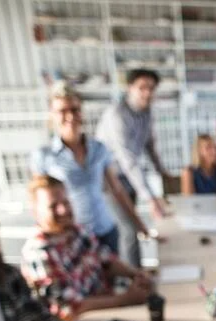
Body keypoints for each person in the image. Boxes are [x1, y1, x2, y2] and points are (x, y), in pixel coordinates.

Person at [32, 81, 152, 255]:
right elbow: (38, 202)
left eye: (75, 109)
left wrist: (138, 223)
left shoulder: (99, 148)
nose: (70, 116)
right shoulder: (44, 156)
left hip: (105, 230)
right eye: (62, 111)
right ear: (52, 115)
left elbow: (117, 189)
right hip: (71, 236)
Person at [22, 175, 154, 321]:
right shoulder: (38, 252)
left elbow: (106, 260)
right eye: (53, 206)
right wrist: (125, 299)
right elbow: (70, 308)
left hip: (108, 309)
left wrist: (136, 274)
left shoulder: (76, 230)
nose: (63, 210)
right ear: (35, 212)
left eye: (66, 202)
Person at [96, 68, 171, 268]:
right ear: (130, 88)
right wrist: (151, 199)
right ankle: (135, 280)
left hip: (128, 177)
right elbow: (128, 160)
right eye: (142, 87)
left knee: (134, 228)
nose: (147, 92)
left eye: (151, 88)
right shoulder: (116, 115)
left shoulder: (146, 112)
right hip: (110, 180)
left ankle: (136, 273)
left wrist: (162, 172)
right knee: (129, 229)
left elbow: (149, 145)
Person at [180, 134, 216, 209]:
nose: (214, 151)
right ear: (199, 151)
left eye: (215, 147)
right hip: (198, 213)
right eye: (208, 147)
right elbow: (189, 201)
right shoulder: (188, 172)